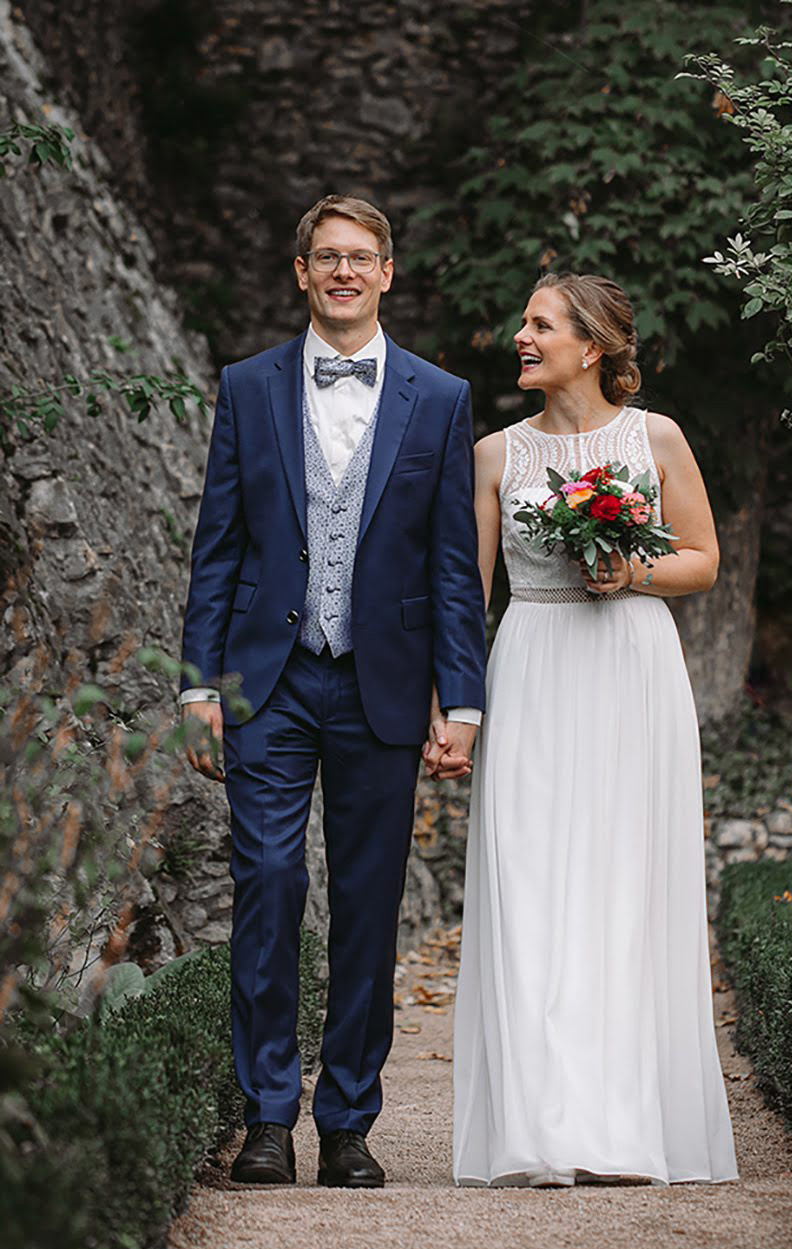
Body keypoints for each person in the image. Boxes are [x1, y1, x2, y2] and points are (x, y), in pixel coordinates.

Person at [180, 195, 486, 1189]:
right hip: (266, 681)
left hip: (383, 686)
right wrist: (198, 685)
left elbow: (451, 565)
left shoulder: (439, 398)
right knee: (269, 883)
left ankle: (347, 1119)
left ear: (388, 272)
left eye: (361, 257)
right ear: (301, 273)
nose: (344, 271)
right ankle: (267, 1115)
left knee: (366, 901)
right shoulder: (249, 384)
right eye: (327, 257)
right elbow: (217, 547)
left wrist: (465, 700)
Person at [443, 272, 738, 1187]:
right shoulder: (495, 453)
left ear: (594, 345)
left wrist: (631, 574)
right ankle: (539, 1128)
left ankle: (618, 1125)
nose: (521, 336)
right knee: (527, 884)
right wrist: (455, 709)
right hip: (530, 661)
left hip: (629, 669)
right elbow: (466, 593)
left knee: (622, 886)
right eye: (524, 321)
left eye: (540, 324)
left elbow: (703, 560)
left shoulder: (655, 438)